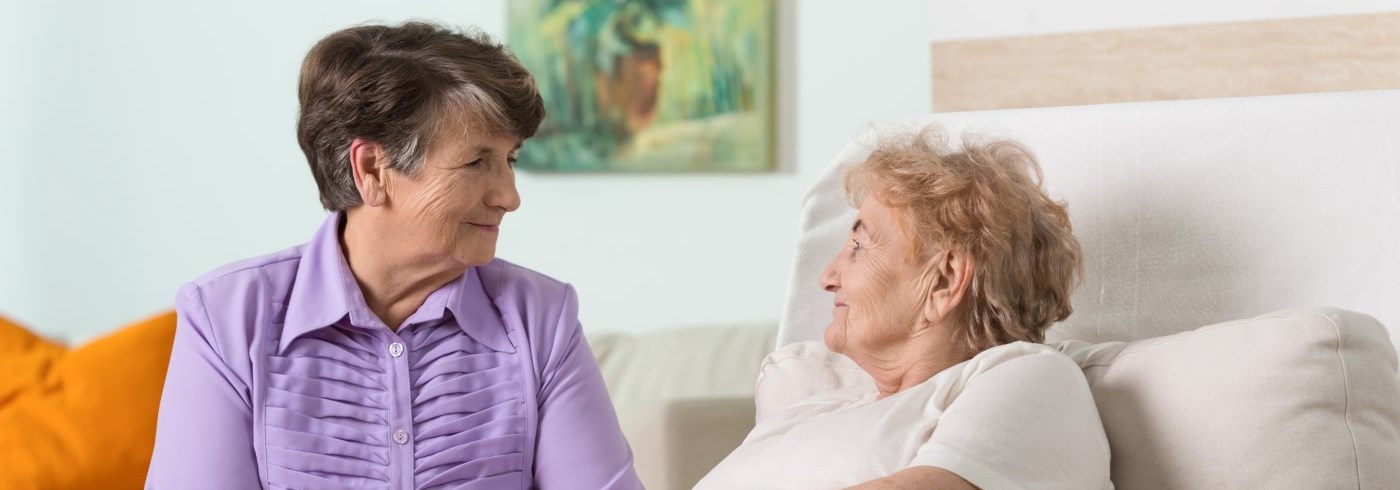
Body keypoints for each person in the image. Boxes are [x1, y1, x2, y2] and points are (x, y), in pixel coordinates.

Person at [146, 22, 642, 489]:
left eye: (509, 160)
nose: (509, 197)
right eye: (477, 162)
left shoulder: (540, 318)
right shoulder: (227, 320)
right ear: (372, 169)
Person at [696, 128, 1112, 489]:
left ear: (945, 280)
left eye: (859, 246)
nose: (826, 276)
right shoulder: (810, 412)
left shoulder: (1030, 377)